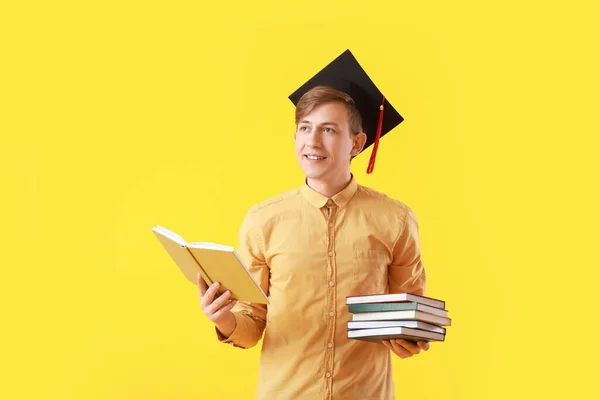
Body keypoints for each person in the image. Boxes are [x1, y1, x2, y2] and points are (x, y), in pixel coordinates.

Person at [197, 50, 428, 400]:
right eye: (304, 128)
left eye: (328, 130)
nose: (312, 142)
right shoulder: (263, 221)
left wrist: (411, 336)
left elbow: (411, 313)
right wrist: (224, 320)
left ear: (357, 142)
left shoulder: (395, 220)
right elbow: (251, 325)